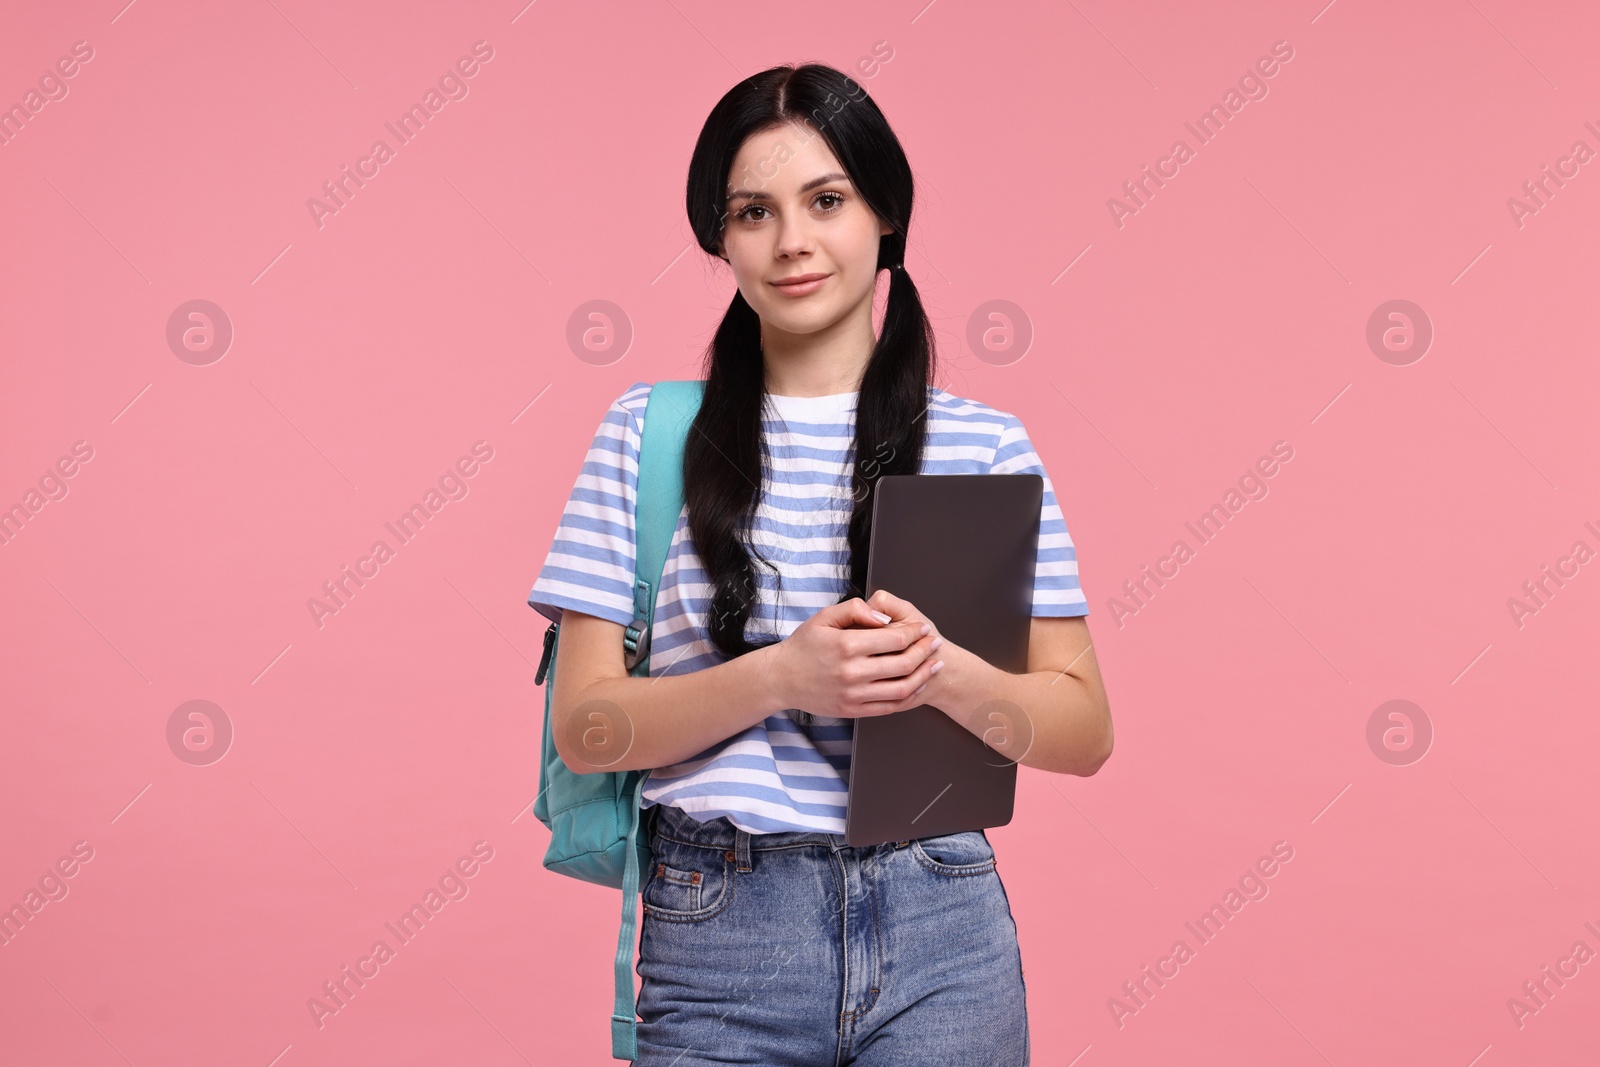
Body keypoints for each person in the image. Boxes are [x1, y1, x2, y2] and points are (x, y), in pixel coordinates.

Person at [528, 62, 1113, 1067]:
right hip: (719, 927)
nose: (792, 241)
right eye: (753, 211)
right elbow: (585, 727)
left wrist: (939, 672)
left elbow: (1081, 728)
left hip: (943, 925)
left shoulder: (981, 445)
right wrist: (781, 677)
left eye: (826, 201)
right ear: (720, 236)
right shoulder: (648, 436)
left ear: (884, 214)